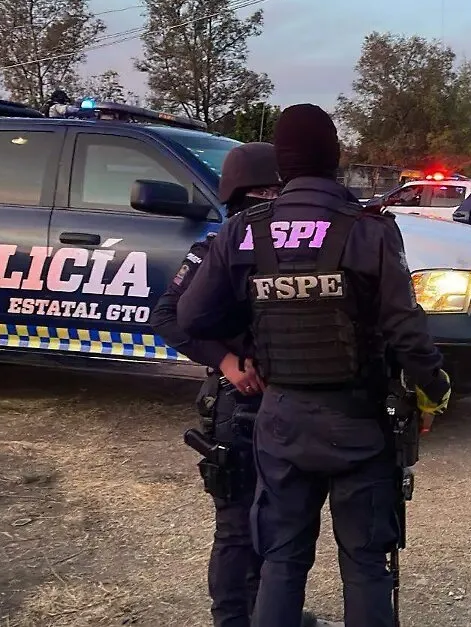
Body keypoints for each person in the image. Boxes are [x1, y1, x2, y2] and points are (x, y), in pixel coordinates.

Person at [176, 104, 452, 627]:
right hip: (359, 424)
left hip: (280, 423)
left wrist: (236, 350)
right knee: (367, 564)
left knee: (281, 560)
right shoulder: (370, 230)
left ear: (281, 166)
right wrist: (432, 389)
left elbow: (190, 316)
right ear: (336, 159)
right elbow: (405, 329)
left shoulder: (244, 231)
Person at [149, 143, 322, 627]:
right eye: (277, 189)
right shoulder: (221, 245)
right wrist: (225, 360)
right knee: (239, 527)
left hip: (285, 404)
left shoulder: (298, 244)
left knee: (273, 525)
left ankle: (267, 612)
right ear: (266, 190)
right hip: (241, 406)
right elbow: (165, 316)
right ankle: (233, 620)